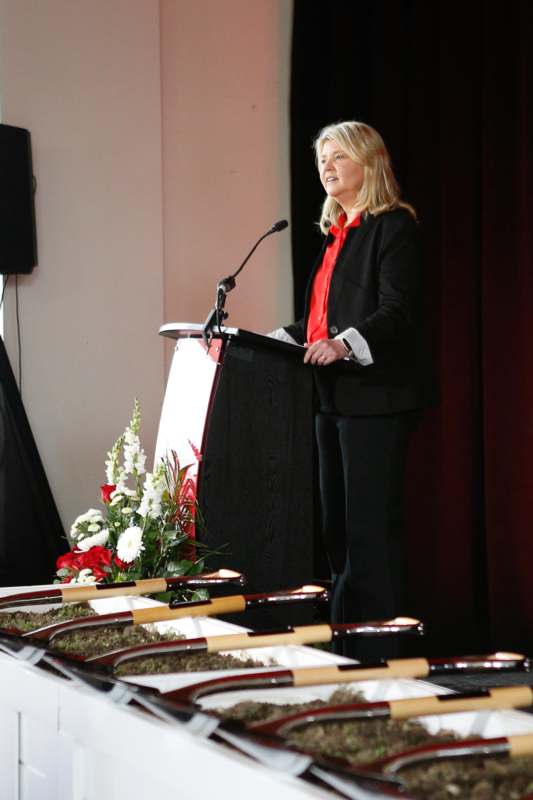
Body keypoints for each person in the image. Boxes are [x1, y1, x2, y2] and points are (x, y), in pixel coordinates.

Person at [271, 121, 426, 660]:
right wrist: (260, 341)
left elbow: (398, 312)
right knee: (338, 539)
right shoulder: (336, 236)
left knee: (369, 540)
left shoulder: (393, 227)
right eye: (321, 160)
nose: (326, 167)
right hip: (331, 403)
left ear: (370, 161)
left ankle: (386, 660)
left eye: (338, 156)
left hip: (376, 403)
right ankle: (348, 655)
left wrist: (344, 343)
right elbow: (317, 323)